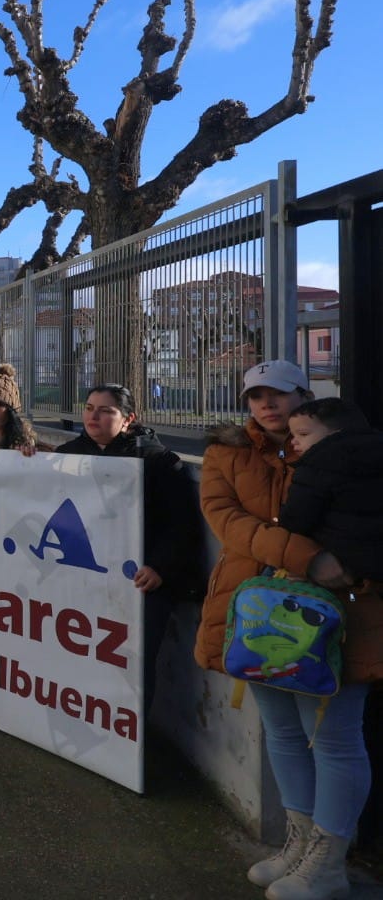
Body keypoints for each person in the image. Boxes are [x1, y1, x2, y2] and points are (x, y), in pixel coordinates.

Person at [194, 360, 382, 899]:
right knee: (282, 732)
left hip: (344, 610)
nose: (266, 406)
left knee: (335, 737)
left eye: (277, 395)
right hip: (257, 611)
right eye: (255, 397)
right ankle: (299, 846)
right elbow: (225, 518)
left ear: (304, 395)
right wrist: (308, 556)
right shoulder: (225, 452)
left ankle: (329, 861)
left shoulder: (343, 447)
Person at [55, 384, 203, 711]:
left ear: (128, 418)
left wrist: (160, 567)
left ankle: (132, 741)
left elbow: (182, 525)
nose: (94, 416)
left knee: (130, 665)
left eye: (106, 410)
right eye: (90, 407)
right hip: (83, 580)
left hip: (140, 584)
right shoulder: (65, 455)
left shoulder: (159, 461)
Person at [281, 398, 383, 584]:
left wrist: (282, 520)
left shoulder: (316, 463)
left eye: (302, 434)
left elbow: (297, 518)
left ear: (336, 433)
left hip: (341, 560)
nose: (293, 442)